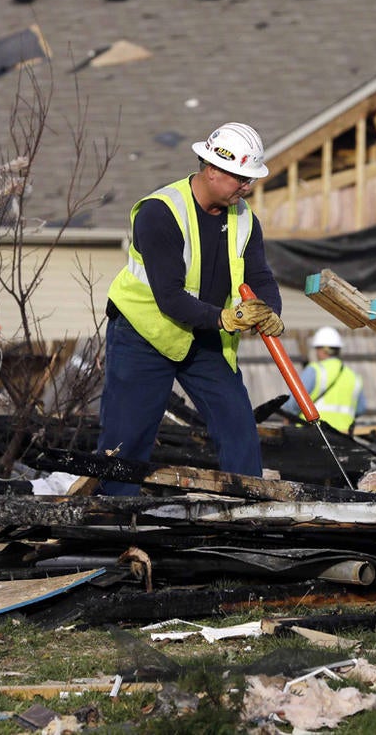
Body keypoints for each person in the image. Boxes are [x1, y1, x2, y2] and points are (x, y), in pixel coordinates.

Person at [97, 122, 284, 495]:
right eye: (241, 178)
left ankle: (251, 512)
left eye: (251, 179)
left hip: (204, 336)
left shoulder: (243, 218)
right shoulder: (160, 213)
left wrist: (269, 309)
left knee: (238, 427)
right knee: (127, 437)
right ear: (212, 169)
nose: (247, 187)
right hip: (144, 333)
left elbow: (259, 273)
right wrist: (223, 318)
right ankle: (112, 519)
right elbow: (169, 296)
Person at [280, 326, 366, 434]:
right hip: (345, 436)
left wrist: (287, 415)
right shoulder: (354, 376)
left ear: (321, 350)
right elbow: (360, 408)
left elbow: (294, 403)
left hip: (313, 434)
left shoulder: (314, 370)